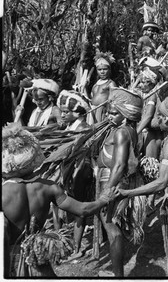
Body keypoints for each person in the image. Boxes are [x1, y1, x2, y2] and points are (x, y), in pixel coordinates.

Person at [2, 123, 118, 277]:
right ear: (34, 157)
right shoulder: (49, 187)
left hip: (8, 260)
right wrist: (104, 198)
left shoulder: (4, 192)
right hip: (37, 257)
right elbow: (83, 210)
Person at [118, 96, 168, 277]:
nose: (155, 120)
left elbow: (161, 182)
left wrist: (128, 193)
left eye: (159, 116)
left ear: (167, 119)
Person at [95, 87, 144, 277]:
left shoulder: (122, 132)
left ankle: (117, 275)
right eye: (109, 112)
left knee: (112, 228)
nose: (109, 116)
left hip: (111, 180)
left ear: (125, 115)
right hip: (111, 180)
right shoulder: (126, 129)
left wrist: (107, 192)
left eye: (114, 113)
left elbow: (119, 165)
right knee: (112, 226)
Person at [56, 90, 95, 261]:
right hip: (68, 171)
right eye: (62, 111)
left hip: (80, 171)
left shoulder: (83, 129)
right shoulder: (70, 127)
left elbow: (85, 154)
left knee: (79, 208)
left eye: (66, 112)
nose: (62, 115)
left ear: (78, 113)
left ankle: (77, 248)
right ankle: (61, 243)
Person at [90, 52, 117, 123]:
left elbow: (113, 101)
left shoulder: (110, 83)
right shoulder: (95, 84)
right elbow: (92, 98)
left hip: (103, 113)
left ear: (109, 70)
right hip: (92, 112)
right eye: (100, 70)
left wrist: (109, 113)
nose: (102, 72)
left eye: (105, 69)